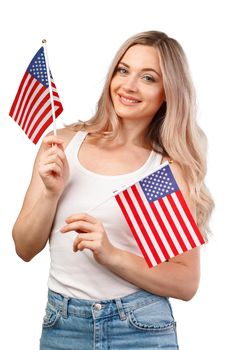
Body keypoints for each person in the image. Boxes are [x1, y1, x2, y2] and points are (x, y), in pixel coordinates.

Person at [12, 30, 214, 350]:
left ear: (168, 92)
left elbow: (186, 282)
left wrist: (111, 255)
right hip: (63, 326)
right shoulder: (62, 145)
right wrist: (51, 193)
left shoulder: (163, 171)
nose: (129, 86)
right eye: (123, 70)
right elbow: (23, 249)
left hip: (139, 328)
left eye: (148, 77)